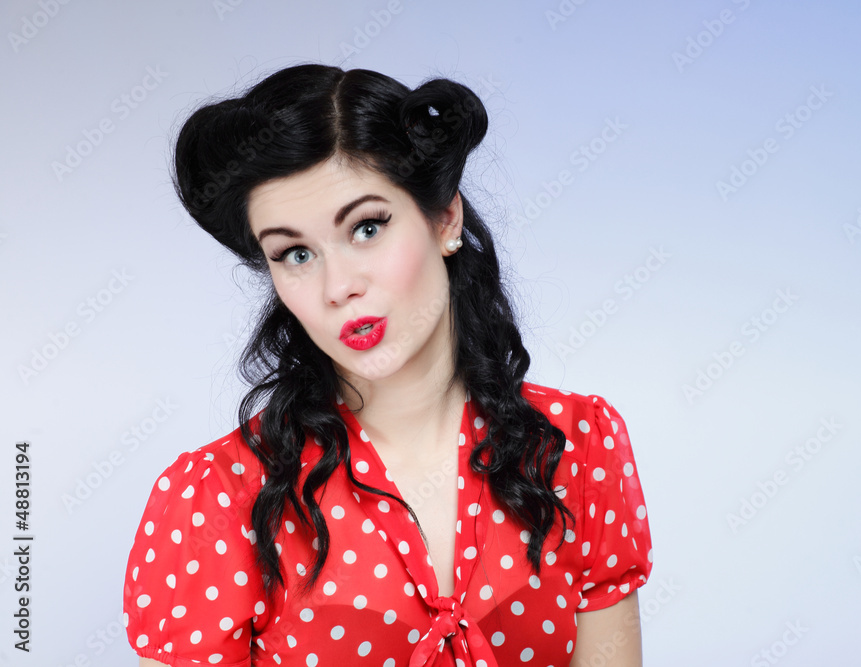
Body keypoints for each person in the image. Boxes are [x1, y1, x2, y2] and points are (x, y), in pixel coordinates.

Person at [123, 63, 653, 667]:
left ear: (445, 218)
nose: (338, 286)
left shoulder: (576, 447)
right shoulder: (219, 499)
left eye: (367, 227)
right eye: (295, 253)